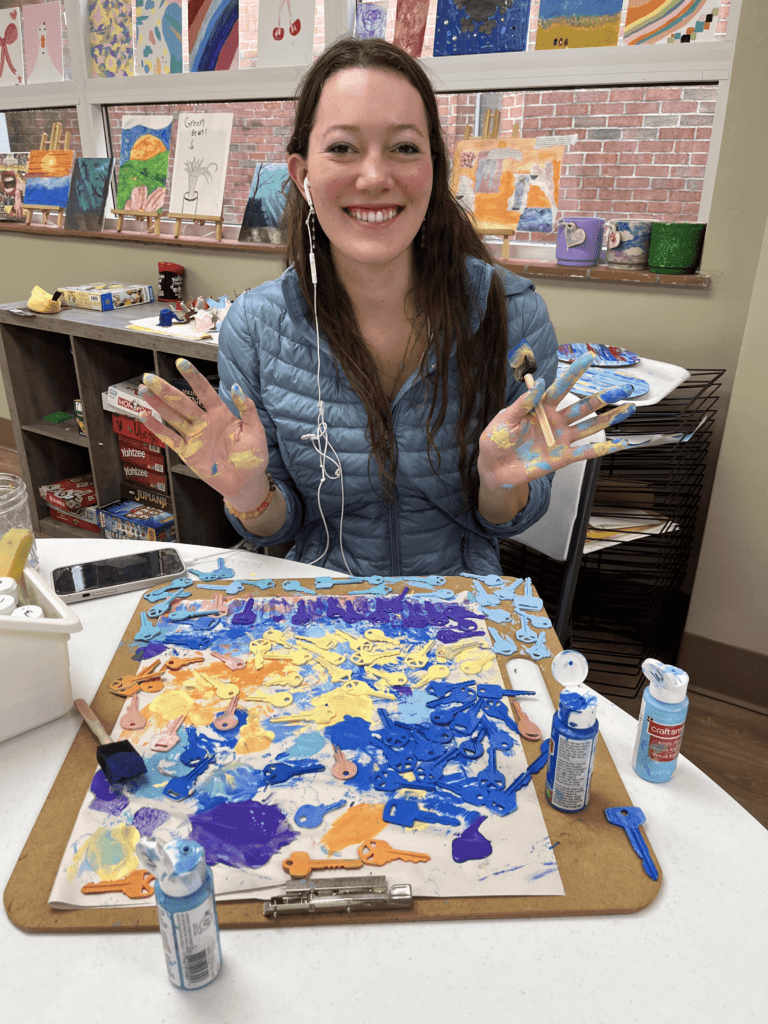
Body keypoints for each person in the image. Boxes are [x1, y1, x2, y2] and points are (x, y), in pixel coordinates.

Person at [139, 37, 634, 577]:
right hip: (320, 606)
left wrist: (499, 483)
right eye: (343, 148)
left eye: (403, 148)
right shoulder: (256, 328)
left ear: (433, 170)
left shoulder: (510, 314)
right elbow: (278, 527)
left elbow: (506, 520)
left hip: (458, 608)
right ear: (302, 177)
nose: (374, 178)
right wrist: (248, 491)